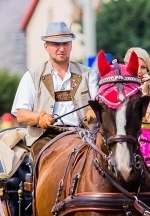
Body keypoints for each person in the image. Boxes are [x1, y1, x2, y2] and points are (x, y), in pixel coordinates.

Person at [11, 21, 99, 160]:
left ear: (71, 45)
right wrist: (39, 117)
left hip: (83, 135)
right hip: (45, 138)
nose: (61, 48)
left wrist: (94, 109)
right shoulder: (32, 75)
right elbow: (21, 115)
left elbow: (99, 103)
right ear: (46, 46)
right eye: (56, 44)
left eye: (65, 43)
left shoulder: (88, 74)